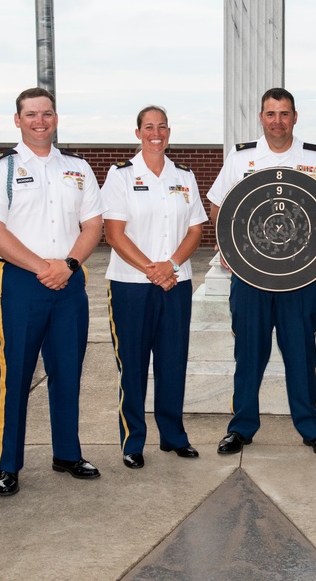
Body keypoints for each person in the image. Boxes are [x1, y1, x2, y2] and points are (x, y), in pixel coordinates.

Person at [0, 87, 105, 497]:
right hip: (19, 283)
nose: (39, 121)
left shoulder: (78, 167)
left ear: (56, 118)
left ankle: (67, 453)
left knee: (67, 371)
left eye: (46, 113)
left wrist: (66, 266)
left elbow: (93, 225)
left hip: (68, 281)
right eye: (31, 114)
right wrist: (41, 267)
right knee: (16, 375)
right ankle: (8, 464)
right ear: (18, 120)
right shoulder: (0, 168)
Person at [207, 87, 316, 457]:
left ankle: (313, 430)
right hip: (251, 277)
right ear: (261, 118)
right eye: (271, 114)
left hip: (300, 278)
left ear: (295, 117)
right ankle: (241, 428)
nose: (277, 121)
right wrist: (228, 247)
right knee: (248, 353)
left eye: (284, 114)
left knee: (301, 354)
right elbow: (219, 207)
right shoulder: (241, 158)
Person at [101, 106, 207, 469]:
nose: (155, 133)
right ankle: (133, 440)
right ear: (138, 133)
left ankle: (173, 436)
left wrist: (171, 266)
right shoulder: (121, 176)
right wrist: (153, 269)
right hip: (132, 285)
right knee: (132, 365)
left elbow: (196, 229)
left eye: (162, 127)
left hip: (176, 283)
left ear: (169, 131)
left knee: (172, 363)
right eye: (149, 127)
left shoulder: (184, 176)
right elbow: (114, 234)